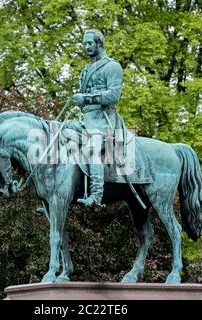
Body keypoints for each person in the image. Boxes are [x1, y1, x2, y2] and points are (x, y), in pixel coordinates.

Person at [72, 29, 124, 207]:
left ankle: (96, 196)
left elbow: (113, 96)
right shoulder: (85, 70)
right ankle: (58, 193)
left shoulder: (112, 66)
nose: (86, 47)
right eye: (84, 44)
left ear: (99, 44)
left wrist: (85, 98)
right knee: (61, 141)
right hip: (86, 117)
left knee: (93, 149)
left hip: (104, 119)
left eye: (90, 43)